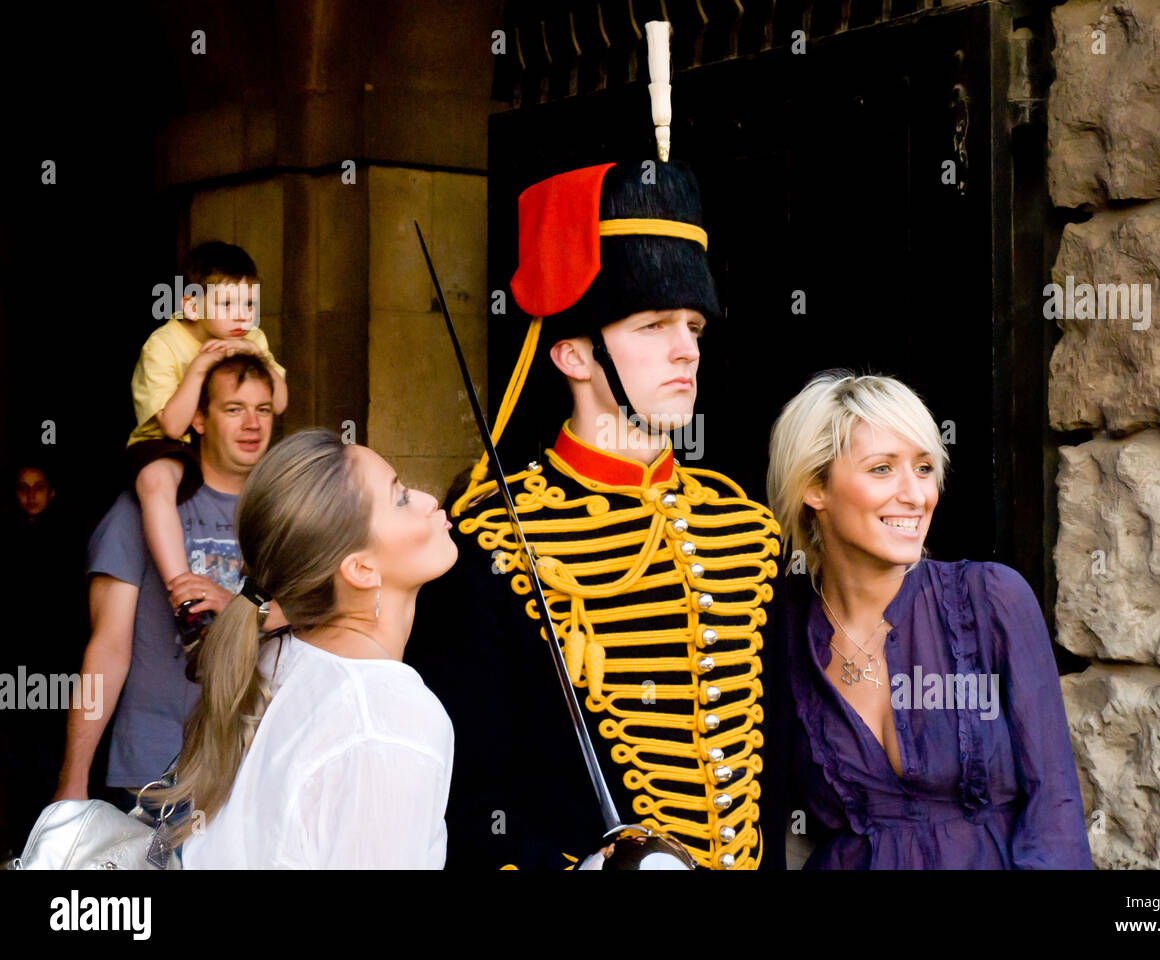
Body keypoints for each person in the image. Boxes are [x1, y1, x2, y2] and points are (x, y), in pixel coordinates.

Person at [408, 158, 784, 870]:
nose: (687, 349)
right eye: (651, 326)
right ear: (574, 354)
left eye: (693, 325)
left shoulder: (748, 535)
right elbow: (465, 804)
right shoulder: (493, 545)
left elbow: (776, 769)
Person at [766, 370, 1092, 869]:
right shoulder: (779, 628)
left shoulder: (991, 600)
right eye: (881, 469)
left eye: (923, 468)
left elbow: (1055, 808)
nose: (915, 495)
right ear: (815, 487)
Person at [150, 428, 457, 869]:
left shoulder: (276, 658)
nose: (430, 501)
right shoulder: (390, 721)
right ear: (361, 568)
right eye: (401, 497)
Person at [53, 354, 287, 812]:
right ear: (198, 418)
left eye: (262, 409)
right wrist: (72, 780)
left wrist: (241, 606)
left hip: (263, 762)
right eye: (234, 409)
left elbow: (324, 616)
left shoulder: (286, 515)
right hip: (159, 769)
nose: (252, 424)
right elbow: (107, 650)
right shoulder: (140, 512)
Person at [127, 241, 287, 613]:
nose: (242, 317)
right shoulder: (163, 344)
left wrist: (258, 357)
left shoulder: (252, 340)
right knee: (155, 481)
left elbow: (278, 402)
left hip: (217, 444)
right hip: (168, 445)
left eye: (249, 304)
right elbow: (171, 425)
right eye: (228, 305)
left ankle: (258, 600)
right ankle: (183, 589)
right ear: (191, 306)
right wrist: (199, 369)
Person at [0, 456, 87, 857]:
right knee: (16, 762)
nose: (31, 495)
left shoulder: (70, 546)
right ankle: (19, 850)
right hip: (13, 677)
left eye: (39, 487)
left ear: (51, 493)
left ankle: (49, 854)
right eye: (23, 487)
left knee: (54, 760)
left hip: (56, 675)